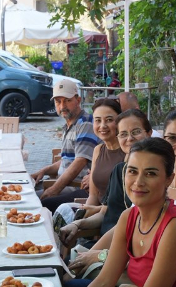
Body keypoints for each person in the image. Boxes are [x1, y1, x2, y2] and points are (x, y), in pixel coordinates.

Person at [65, 138, 176, 287]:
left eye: (151, 173)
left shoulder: (175, 227)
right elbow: (105, 281)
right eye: (132, 171)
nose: (138, 182)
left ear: (169, 179)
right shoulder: (129, 216)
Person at [70, 108, 176, 276]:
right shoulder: (152, 179)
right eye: (172, 138)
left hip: (162, 279)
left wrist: (102, 256)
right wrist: (87, 256)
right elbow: (127, 225)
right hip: (126, 265)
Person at [58, 106, 147, 252]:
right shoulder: (119, 170)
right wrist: (78, 224)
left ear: (149, 133)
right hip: (106, 241)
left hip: (122, 250)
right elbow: (106, 211)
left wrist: (96, 254)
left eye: (136, 132)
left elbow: (129, 227)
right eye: (123, 134)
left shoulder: (151, 177)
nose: (129, 138)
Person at [52, 97, 124, 238]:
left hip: (115, 217)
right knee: (63, 214)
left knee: (61, 210)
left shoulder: (127, 153)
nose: (102, 125)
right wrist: (84, 215)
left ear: (119, 122)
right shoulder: (98, 150)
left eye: (109, 120)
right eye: (97, 120)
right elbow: (92, 195)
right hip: (98, 210)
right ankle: (60, 253)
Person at [31, 80, 100, 211]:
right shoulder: (69, 124)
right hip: (66, 183)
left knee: (33, 203)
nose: (62, 106)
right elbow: (67, 161)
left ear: (78, 100)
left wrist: (54, 190)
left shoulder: (85, 124)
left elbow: (80, 161)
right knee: (25, 192)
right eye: (58, 101)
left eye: (67, 100)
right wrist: (43, 171)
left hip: (78, 187)